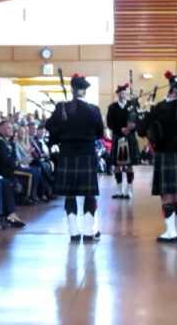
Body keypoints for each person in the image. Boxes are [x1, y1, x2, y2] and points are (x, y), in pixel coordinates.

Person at [137, 71, 177, 243]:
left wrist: (145, 113)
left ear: (171, 90)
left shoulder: (159, 108)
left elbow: (141, 130)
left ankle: (170, 232)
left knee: (167, 195)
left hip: (165, 154)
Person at [46, 74, 104, 243]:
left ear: (72, 90)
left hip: (67, 154)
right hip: (87, 154)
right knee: (89, 194)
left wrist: (61, 133)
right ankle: (87, 232)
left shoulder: (61, 107)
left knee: (70, 195)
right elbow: (100, 132)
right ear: (84, 91)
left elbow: (50, 127)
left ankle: (73, 232)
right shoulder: (94, 110)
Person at [107, 84, 140, 199]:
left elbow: (138, 120)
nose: (123, 95)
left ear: (127, 94)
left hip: (130, 137)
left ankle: (129, 190)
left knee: (129, 165)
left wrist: (131, 128)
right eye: (120, 93)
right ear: (118, 94)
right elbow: (109, 123)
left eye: (124, 93)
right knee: (117, 165)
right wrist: (120, 129)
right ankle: (119, 190)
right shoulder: (112, 107)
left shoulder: (132, 105)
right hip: (118, 136)